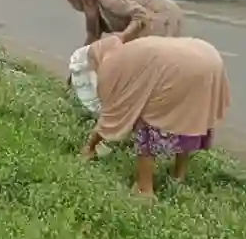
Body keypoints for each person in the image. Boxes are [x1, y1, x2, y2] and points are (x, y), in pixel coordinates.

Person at [80, 34, 230, 198]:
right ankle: (178, 177)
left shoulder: (111, 65)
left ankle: (145, 189)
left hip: (179, 67)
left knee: (148, 123)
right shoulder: (129, 49)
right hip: (208, 58)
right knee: (186, 118)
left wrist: (90, 147)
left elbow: (114, 113)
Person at [65, 0, 184, 47]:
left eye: (73, 1)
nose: (74, 6)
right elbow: (92, 39)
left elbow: (140, 14)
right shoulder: (98, 10)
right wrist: (78, 64)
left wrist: (123, 36)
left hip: (162, 14)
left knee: (147, 60)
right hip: (155, 16)